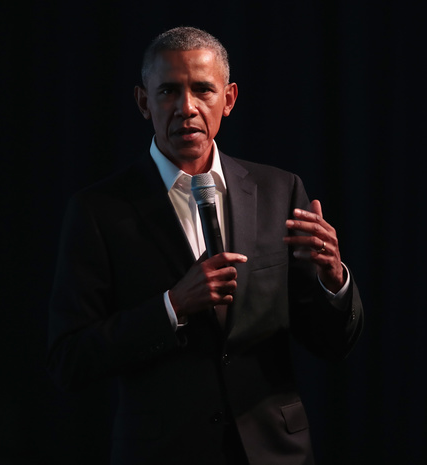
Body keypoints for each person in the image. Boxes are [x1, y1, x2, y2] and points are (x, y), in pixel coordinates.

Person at [47, 26, 363, 465]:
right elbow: (70, 359)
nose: (187, 108)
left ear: (228, 99)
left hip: (275, 453)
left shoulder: (280, 190)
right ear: (143, 102)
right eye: (168, 91)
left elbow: (331, 344)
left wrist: (333, 279)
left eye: (202, 90)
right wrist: (172, 306)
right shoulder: (98, 210)